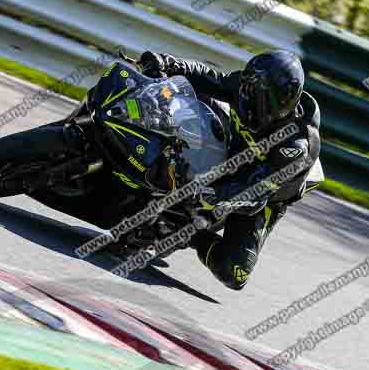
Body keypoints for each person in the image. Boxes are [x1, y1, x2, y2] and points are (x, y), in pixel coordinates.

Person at [136, 49, 323, 290]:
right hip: (233, 150)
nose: (247, 97)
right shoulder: (248, 87)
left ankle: (192, 234)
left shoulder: (296, 145)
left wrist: (213, 195)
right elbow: (210, 77)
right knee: (189, 95)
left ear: (280, 101)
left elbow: (255, 191)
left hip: (264, 196)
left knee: (235, 272)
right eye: (248, 89)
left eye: (259, 96)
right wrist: (168, 62)